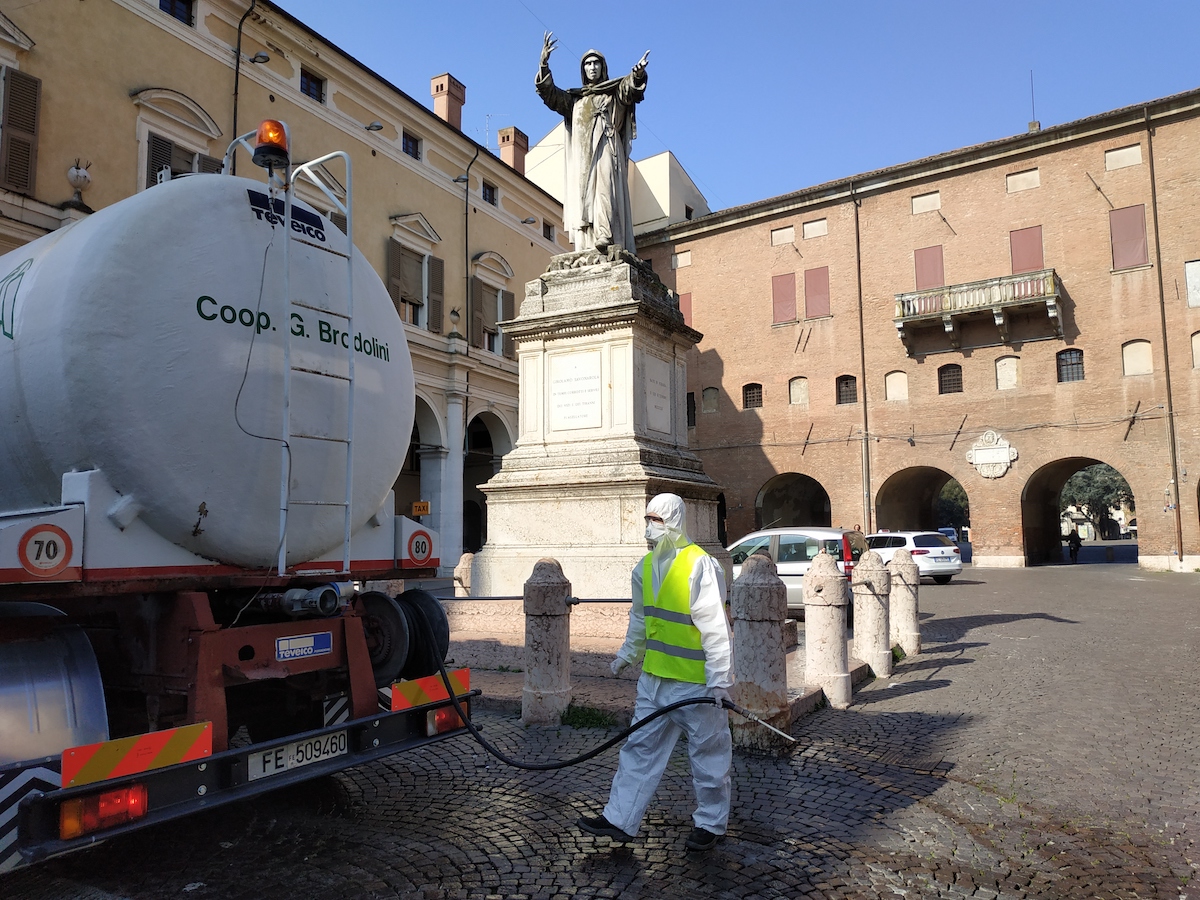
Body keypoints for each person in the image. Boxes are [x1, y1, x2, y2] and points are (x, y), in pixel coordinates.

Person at [577, 493, 733, 852]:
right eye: (648, 519)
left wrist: (721, 681)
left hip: (696, 685)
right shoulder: (643, 568)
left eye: (657, 519)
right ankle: (620, 819)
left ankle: (711, 823)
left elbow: (715, 629)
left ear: (674, 521)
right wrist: (626, 655)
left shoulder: (700, 565)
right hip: (654, 681)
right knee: (638, 749)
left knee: (708, 756)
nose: (650, 527)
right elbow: (639, 620)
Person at [536, 32, 648, 255]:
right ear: (583, 70)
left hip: (607, 147)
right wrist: (544, 65)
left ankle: (604, 235)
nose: (592, 67)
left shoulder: (612, 93)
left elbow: (628, 91)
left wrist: (637, 75)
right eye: (588, 64)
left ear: (603, 67)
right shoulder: (575, 100)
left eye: (596, 63)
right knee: (585, 197)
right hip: (583, 157)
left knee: (605, 189)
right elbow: (551, 96)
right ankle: (587, 243)